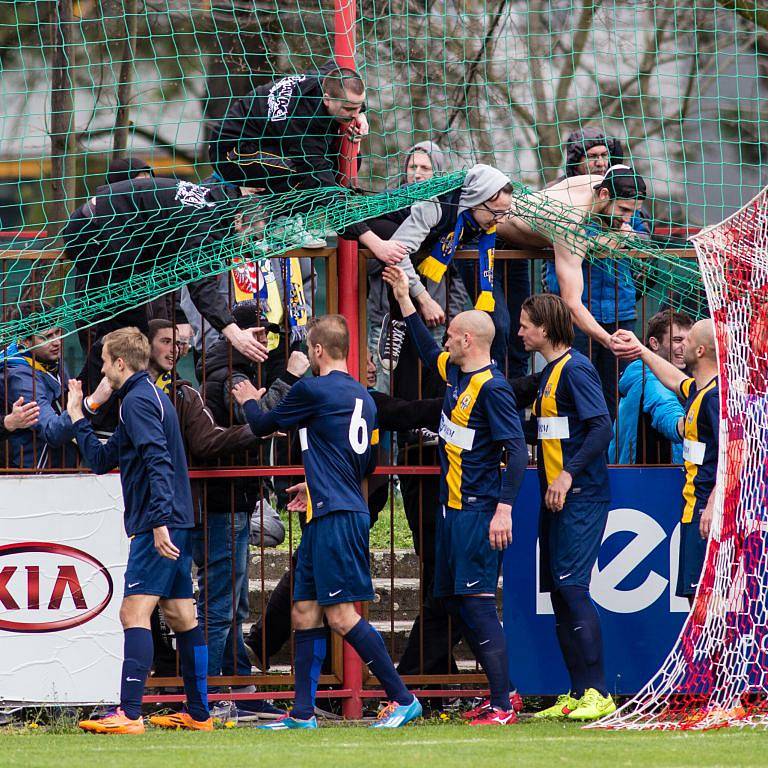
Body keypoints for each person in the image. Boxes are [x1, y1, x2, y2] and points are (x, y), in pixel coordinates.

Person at [232, 314, 422, 730]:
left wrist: (248, 396)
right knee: (303, 611)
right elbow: (364, 461)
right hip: (331, 508)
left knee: (339, 616)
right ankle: (302, 714)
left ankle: (403, 698)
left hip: (336, 515)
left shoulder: (312, 390)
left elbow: (262, 424)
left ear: (316, 351)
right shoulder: (364, 397)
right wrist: (313, 484)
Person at [383, 265, 528, 726]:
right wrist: (405, 297)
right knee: (450, 601)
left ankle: (504, 702)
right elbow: (428, 353)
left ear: (467, 341)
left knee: (477, 602)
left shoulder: (493, 388)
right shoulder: (457, 376)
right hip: (451, 511)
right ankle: (502, 693)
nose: (444, 339)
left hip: (478, 511)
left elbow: (517, 451)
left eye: (450, 335)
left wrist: (503, 508)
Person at [69, 328, 212, 734]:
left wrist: (159, 521)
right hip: (172, 519)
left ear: (119, 363)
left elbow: (158, 460)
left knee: (134, 612)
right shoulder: (142, 397)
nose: (100, 368)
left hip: (158, 523)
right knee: (181, 615)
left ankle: (129, 714)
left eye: (103, 361)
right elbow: (101, 459)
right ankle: (199, 715)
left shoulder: (137, 401)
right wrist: (79, 414)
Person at [517, 293, 615, 721]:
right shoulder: (548, 374)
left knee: (573, 589)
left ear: (545, 328)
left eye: (525, 325)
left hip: (579, 496)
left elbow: (602, 427)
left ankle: (599, 692)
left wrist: (568, 473)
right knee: (560, 593)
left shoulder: (576, 369)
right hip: (554, 498)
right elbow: (549, 429)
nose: (519, 331)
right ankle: (577, 693)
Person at [541, 130, 651, 416]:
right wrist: (607, 241)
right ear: (576, 161)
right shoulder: (566, 198)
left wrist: (627, 238)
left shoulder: (626, 194)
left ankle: (613, 456)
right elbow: (573, 240)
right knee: (574, 387)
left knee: (617, 390)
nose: (600, 162)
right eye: (592, 156)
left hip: (620, 306)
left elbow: (641, 240)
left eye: (605, 155)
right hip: (575, 310)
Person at [613, 319, 719, 602]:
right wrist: (639, 349)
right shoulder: (698, 390)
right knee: (693, 601)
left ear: (699, 351)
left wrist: (712, 505)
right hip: (692, 508)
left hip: (705, 512)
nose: (681, 346)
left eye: (687, 340)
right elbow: (672, 379)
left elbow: (733, 455)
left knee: (704, 603)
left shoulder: (716, 398)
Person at [496, 164, 648, 358]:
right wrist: (608, 340)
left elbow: (585, 243)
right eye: (623, 210)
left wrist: (616, 236)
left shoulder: (598, 183)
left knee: (515, 342)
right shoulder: (567, 219)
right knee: (499, 328)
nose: (627, 219)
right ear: (604, 195)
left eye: (633, 212)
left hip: (519, 241)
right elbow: (572, 303)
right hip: (487, 235)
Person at [376, 164, 513, 371]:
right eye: (497, 212)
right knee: (399, 256)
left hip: (416, 242)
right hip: (381, 223)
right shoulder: (437, 205)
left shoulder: (474, 220)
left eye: (505, 213)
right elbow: (397, 254)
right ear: (477, 200)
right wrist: (425, 299)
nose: (501, 220)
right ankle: (395, 322)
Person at [209, 61, 368, 227]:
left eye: (358, 107)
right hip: (231, 150)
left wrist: (361, 114)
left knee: (346, 163)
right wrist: (362, 232)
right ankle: (281, 223)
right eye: (349, 109)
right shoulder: (303, 124)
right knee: (305, 174)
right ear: (327, 99)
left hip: (265, 141)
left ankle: (264, 206)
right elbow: (318, 177)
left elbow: (337, 65)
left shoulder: (328, 76)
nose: (354, 115)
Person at [0, 305, 85, 469]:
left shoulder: (50, 359)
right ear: (26, 341)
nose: (56, 342)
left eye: (58, 333)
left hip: (60, 463)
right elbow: (52, 431)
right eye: (46, 337)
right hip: (33, 471)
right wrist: (90, 404)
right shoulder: (19, 377)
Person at [609, 309, 693, 464]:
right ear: (654, 343)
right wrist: (685, 425)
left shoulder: (682, 373)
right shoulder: (648, 377)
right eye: (677, 340)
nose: (684, 347)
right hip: (648, 477)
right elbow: (664, 406)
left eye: (688, 341)